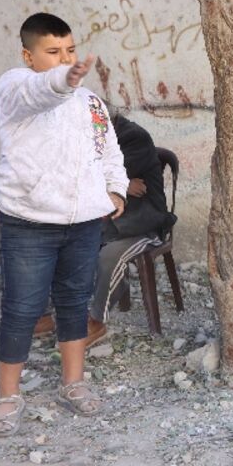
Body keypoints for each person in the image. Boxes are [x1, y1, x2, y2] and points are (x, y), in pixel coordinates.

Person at [0, 13, 127, 437]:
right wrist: (62, 79)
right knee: (22, 309)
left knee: (74, 304)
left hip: (83, 224)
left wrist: (114, 190)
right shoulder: (15, 87)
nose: (65, 60)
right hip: (28, 223)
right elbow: (40, 91)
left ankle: (73, 384)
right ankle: (7, 397)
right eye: (53, 53)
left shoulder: (90, 103)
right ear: (28, 56)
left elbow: (108, 150)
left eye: (70, 50)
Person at [32, 110, 176, 344]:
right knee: (59, 245)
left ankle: (96, 321)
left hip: (141, 223)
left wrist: (113, 181)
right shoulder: (87, 141)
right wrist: (120, 184)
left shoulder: (134, 138)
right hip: (105, 222)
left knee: (109, 257)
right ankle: (49, 315)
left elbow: (89, 174)